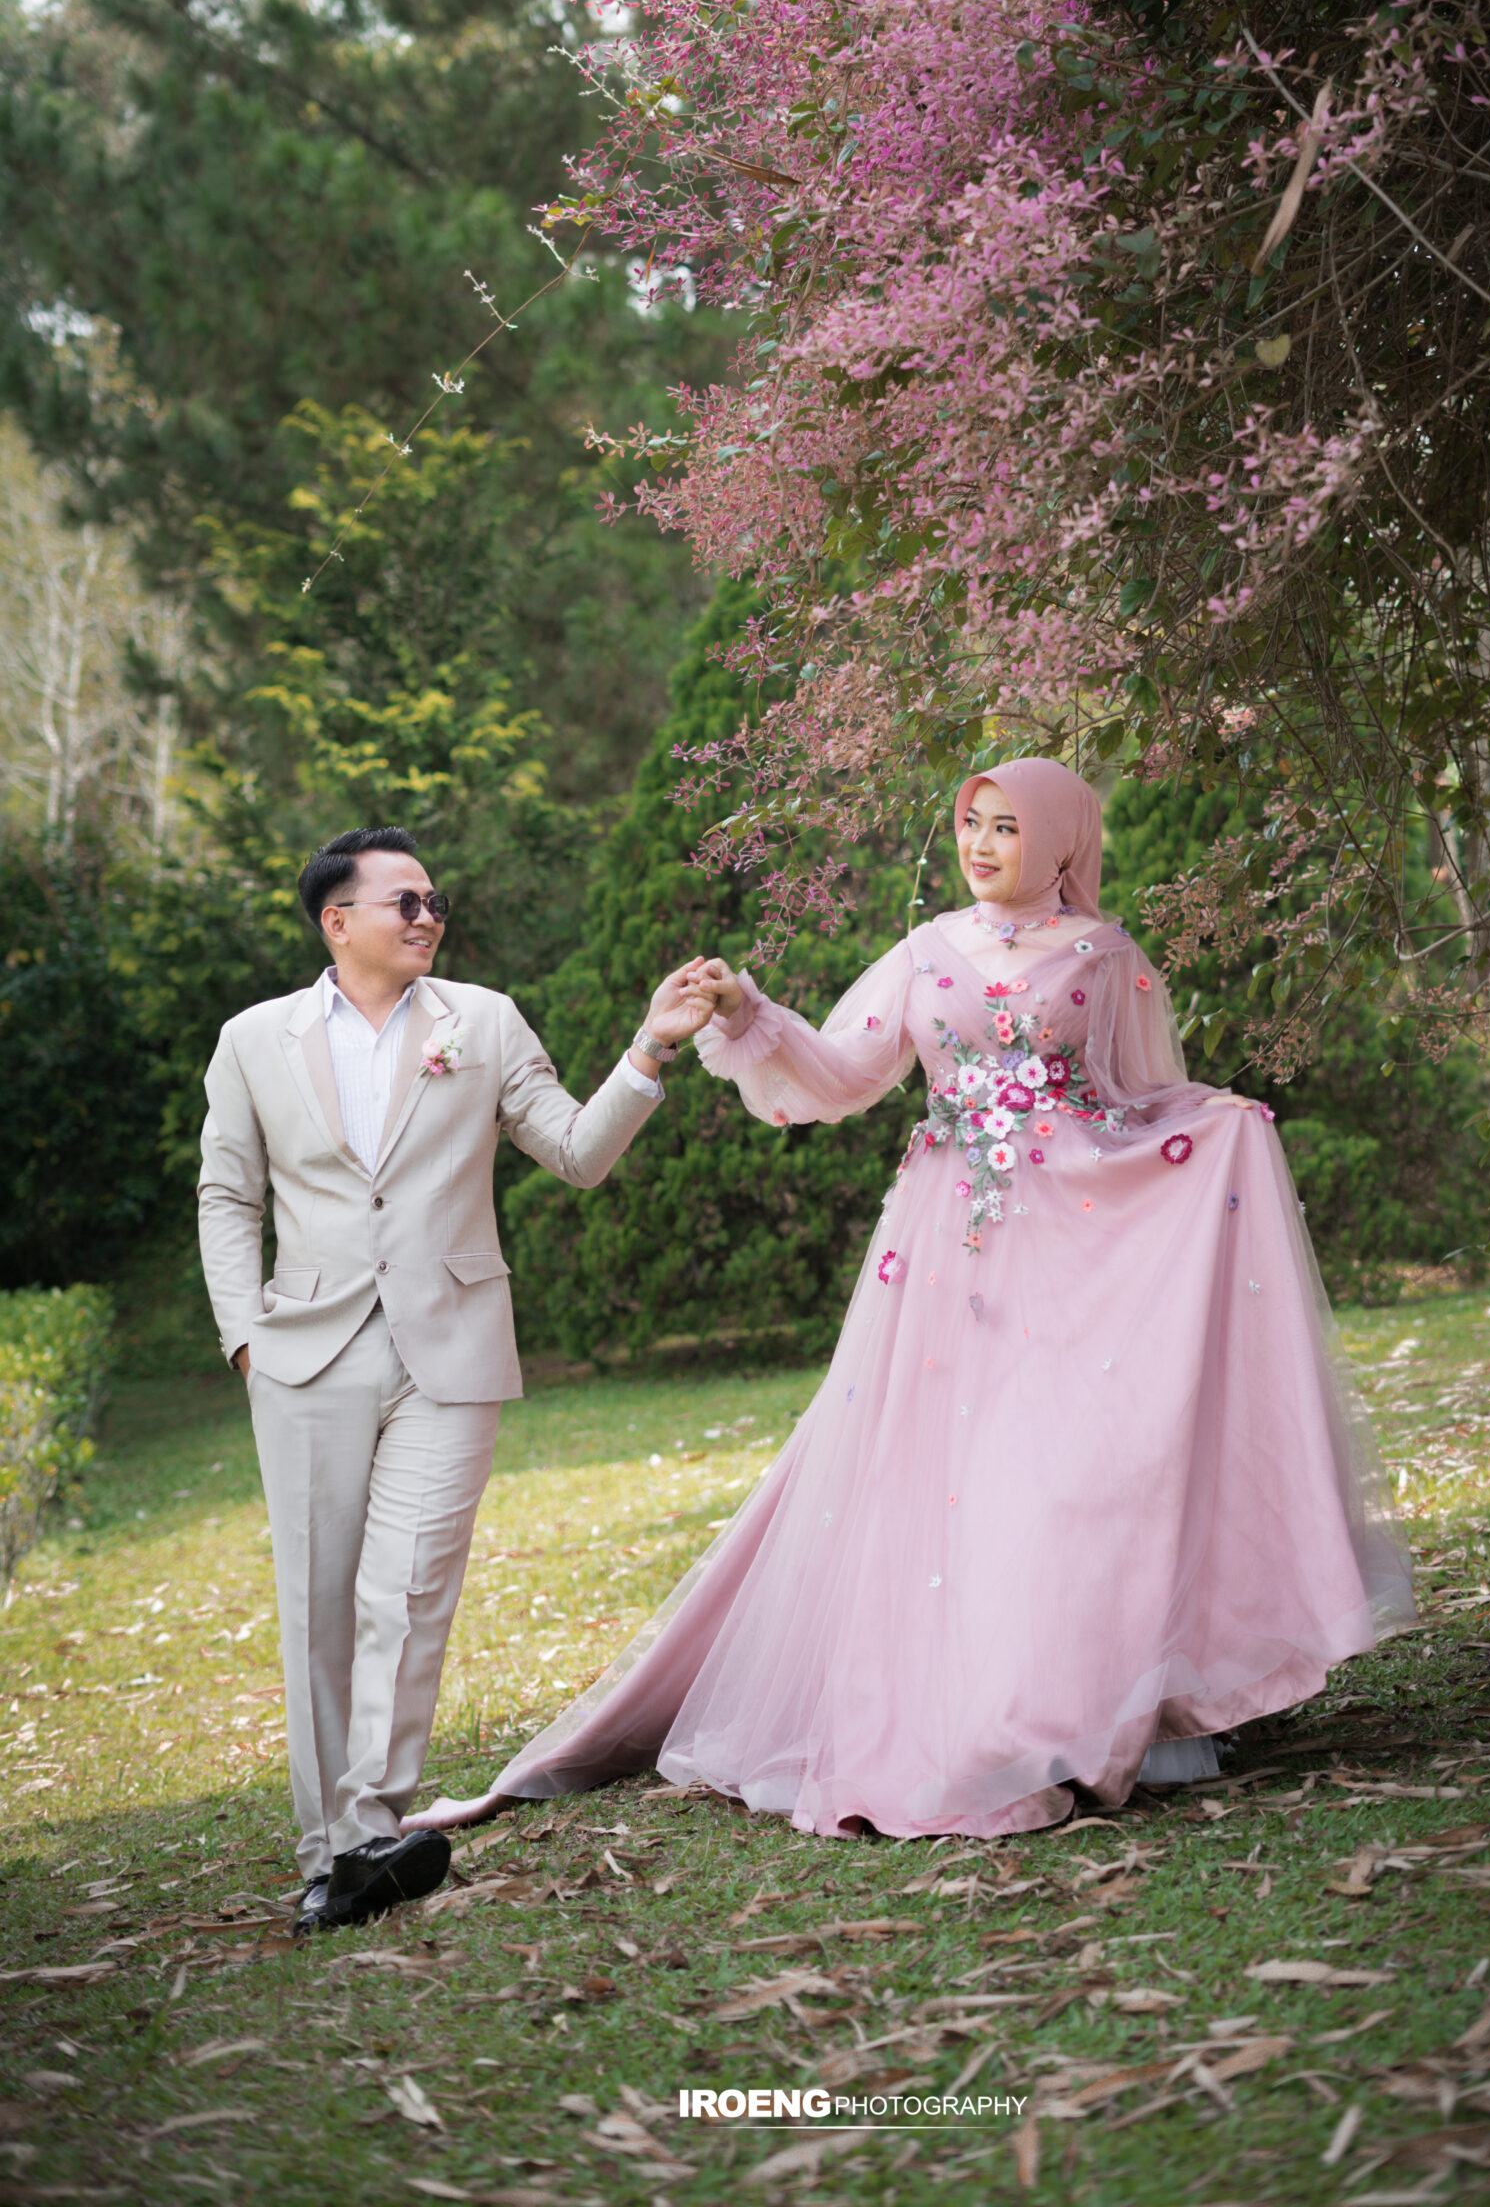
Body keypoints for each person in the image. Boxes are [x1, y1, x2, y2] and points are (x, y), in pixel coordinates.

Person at [406, 759, 1412, 1842]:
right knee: (954, 1473)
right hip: (944, 1250)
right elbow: (843, 1074)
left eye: (1007, 827)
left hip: (1077, 1243)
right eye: (971, 822)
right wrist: (751, 1013)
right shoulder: (925, 951)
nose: (980, 844)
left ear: (1060, 839)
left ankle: (1071, 1708)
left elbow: (1137, 1096)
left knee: (1067, 1472)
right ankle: (972, 1717)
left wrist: (1215, 1125)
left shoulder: (1108, 955)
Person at [197, 825, 715, 1931]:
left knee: (409, 1592)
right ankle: (326, 1853)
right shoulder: (252, 1039)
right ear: (338, 921)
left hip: (453, 1348)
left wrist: (649, 1049)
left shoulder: (482, 1020)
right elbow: (227, 1195)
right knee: (318, 1608)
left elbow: (576, 1152)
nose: (429, 916)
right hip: (304, 1355)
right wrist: (245, 1336)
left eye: (435, 901)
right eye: (406, 902)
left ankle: (370, 1833)